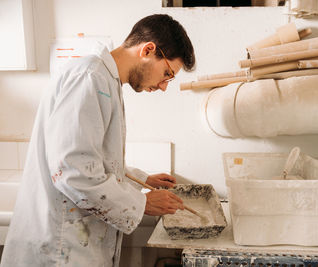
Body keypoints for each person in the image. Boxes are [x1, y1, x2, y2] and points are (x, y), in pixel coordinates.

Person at [0, 14, 195, 267]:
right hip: (60, 249)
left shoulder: (104, 80)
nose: (163, 86)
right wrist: (142, 202)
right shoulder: (89, 77)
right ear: (148, 50)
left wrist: (141, 179)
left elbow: (93, 157)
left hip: (73, 245)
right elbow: (73, 170)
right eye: (167, 73)